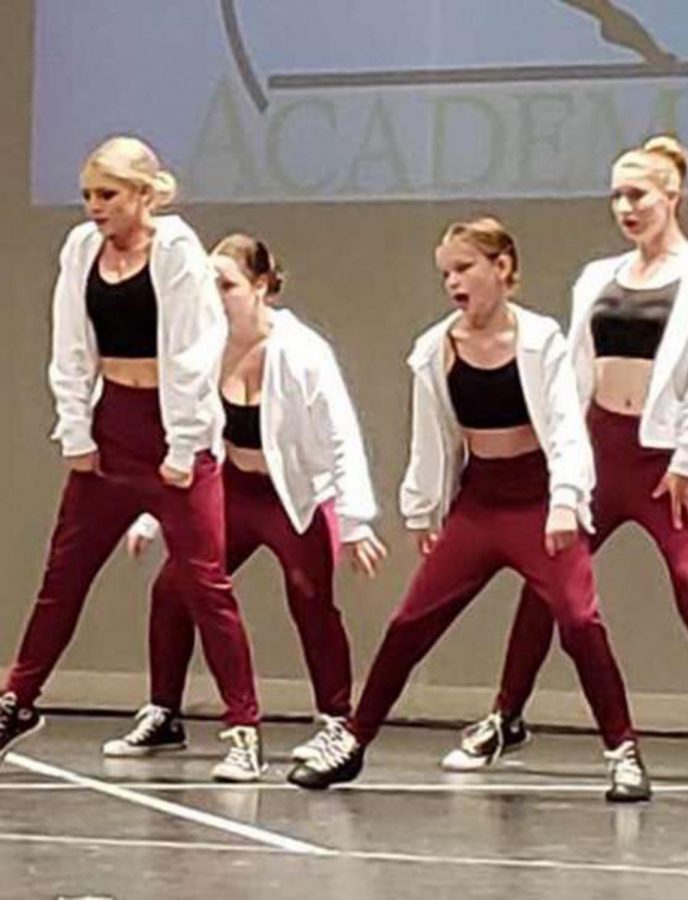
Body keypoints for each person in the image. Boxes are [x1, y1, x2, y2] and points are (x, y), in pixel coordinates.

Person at [288, 216, 651, 802]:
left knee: (580, 622)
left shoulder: (540, 341)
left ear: (502, 268)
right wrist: (422, 508)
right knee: (409, 623)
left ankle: (623, 751)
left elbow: (564, 429)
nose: (454, 282)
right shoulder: (435, 349)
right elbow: (431, 437)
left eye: (465, 268)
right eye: (446, 273)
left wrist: (565, 502)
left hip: (538, 502)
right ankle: (353, 740)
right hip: (481, 503)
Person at [442, 137, 688, 786]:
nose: (625, 207)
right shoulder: (597, 276)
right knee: (548, 582)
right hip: (597, 449)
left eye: (638, 194)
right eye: (616, 195)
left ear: (672, 195)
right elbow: (572, 373)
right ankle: (506, 716)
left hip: (666, 459)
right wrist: (564, 457)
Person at [0, 137, 262, 781]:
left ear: (145, 195)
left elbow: (196, 353)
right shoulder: (80, 249)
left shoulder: (176, 252)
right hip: (110, 425)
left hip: (172, 435)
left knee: (205, 584)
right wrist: (76, 432)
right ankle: (17, 701)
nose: (95, 207)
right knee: (63, 578)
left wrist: (180, 447)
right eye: (89, 195)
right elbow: (69, 342)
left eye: (108, 195)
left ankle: (243, 728)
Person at [102, 233, 386, 777]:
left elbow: (340, 435)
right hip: (230, 489)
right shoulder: (202, 346)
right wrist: (150, 513)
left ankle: (334, 719)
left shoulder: (302, 352)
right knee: (172, 588)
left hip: (292, 494)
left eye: (227, 284)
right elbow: (181, 435)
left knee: (310, 598)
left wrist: (354, 521)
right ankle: (164, 712)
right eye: (209, 284)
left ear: (261, 287)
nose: (216, 295)